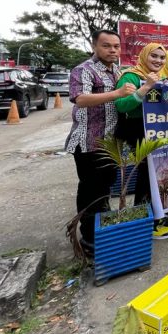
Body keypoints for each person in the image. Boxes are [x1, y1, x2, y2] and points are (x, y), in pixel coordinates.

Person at [65, 30, 136, 257]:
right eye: (107, 46)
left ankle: (101, 231)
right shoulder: (83, 70)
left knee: (105, 190)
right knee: (89, 191)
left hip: (110, 143)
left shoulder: (117, 71)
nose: (113, 50)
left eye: (116, 46)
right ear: (95, 46)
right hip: (87, 143)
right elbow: (81, 99)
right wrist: (117, 93)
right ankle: (88, 240)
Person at [114, 42, 168, 239]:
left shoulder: (162, 77)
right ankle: (146, 225)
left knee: (153, 176)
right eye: (154, 56)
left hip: (154, 131)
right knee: (145, 177)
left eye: (161, 57)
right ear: (144, 56)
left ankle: (152, 217)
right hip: (136, 131)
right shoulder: (131, 76)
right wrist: (147, 86)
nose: (158, 61)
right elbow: (121, 106)